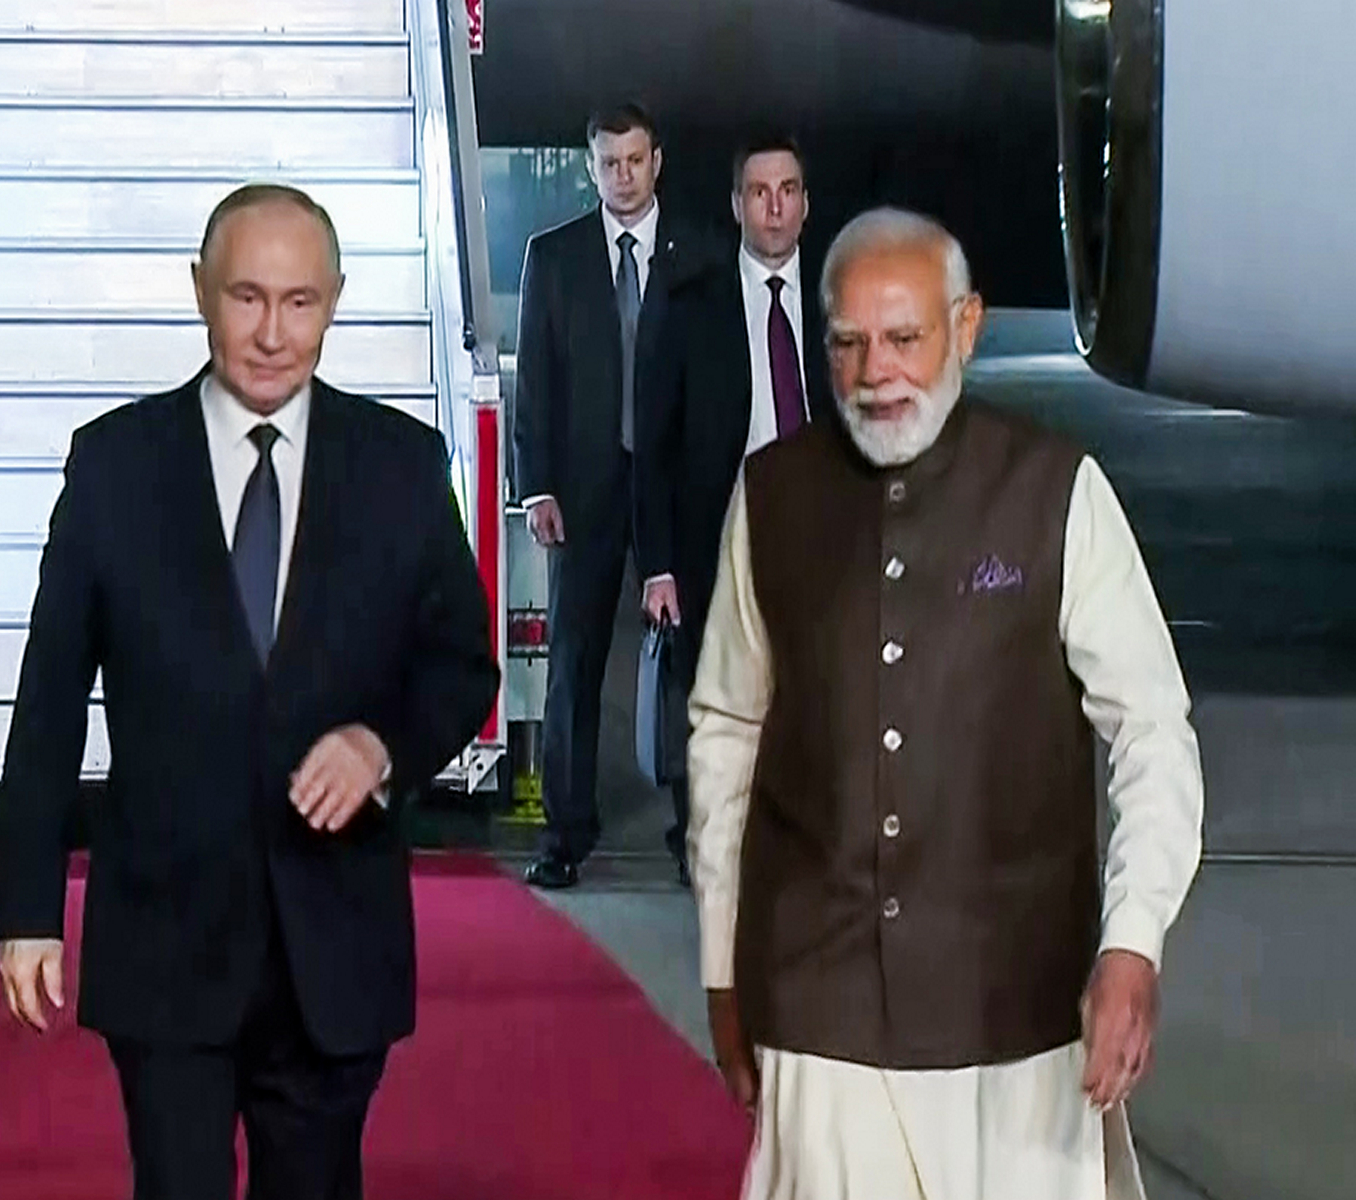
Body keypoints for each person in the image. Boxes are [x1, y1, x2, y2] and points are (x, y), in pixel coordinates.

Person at [0, 184, 499, 1200]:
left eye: (301, 302)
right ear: (200, 293)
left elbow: (460, 667)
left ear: (337, 301)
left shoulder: (401, 466)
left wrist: (381, 748)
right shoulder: (115, 467)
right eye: (247, 298)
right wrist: (26, 908)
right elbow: (47, 701)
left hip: (335, 944)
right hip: (165, 938)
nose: (272, 333)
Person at [687, 207, 1204, 1200]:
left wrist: (1131, 942)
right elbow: (727, 733)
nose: (876, 371)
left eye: (904, 338)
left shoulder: (1057, 490)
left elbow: (1151, 732)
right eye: (847, 345)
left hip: (1016, 1011)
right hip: (819, 1004)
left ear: (965, 327)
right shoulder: (771, 496)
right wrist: (721, 968)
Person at [513, 103, 711, 889]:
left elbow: (714, 380)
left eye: (635, 160)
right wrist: (537, 486)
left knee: (689, 663)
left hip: (672, 488)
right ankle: (565, 834)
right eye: (608, 162)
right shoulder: (553, 257)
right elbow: (535, 381)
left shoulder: (697, 256)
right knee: (574, 663)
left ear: (656, 161)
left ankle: (694, 833)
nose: (622, 175)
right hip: (586, 493)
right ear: (589, 165)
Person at [633, 131, 821, 842]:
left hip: (818, 534)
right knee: (715, 701)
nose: (775, 209)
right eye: (760, 193)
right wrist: (657, 566)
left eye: (788, 192)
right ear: (737, 205)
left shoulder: (839, 302)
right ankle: (707, 837)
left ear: (806, 204)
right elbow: (652, 444)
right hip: (717, 534)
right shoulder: (691, 305)